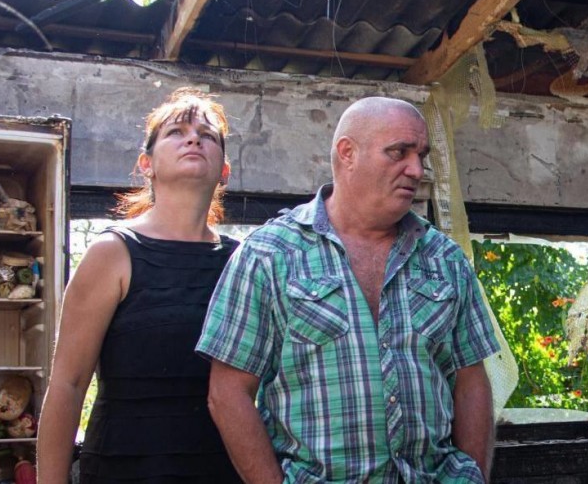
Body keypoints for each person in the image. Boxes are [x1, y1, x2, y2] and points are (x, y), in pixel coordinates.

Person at [197, 97, 500, 483]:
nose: (416, 170)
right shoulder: (270, 253)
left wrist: (473, 477)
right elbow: (228, 392)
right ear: (347, 153)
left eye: (421, 155)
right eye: (399, 152)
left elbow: (471, 381)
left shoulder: (445, 259)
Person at [37, 88, 243, 483]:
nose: (193, 139)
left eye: (207, 135)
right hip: (121, 471)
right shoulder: (112, 252)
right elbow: (68, 383)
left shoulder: (242, 261)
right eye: (176, 132)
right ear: (146, 164)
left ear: (224, 171)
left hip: (220, 472)